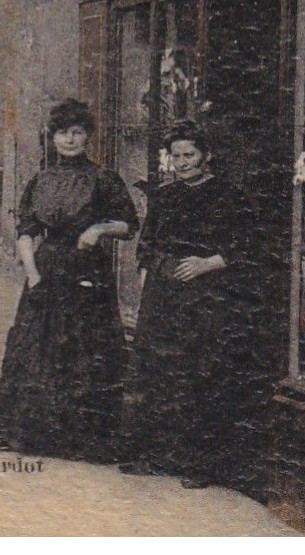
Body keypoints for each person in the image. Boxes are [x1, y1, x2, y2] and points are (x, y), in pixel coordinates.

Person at [0, 98, 139, 463]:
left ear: (87, 137)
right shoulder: (41, 179)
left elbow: (129, 225)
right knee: (36, 344)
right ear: (52, 139)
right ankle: (27, 432)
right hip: (48, 267)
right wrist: (32, 273)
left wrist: (99, 228)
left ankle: (84, 440)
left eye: (76, 133)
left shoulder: (103, 178)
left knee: (86, 346)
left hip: (88, 269)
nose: (69, 140)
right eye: (62, 134)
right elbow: (26, 230)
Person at [123, 121, 269, 494]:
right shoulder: (166, 195)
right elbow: (148, 243)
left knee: (202, 375)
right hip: (165, 296)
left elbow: (252, 245)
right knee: (160, 373)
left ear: (206, 156)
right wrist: (149, 278)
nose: (183, 162)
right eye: (176, 156)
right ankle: (158, 456)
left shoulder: (229, 196)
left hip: (209, 298)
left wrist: (209, 263)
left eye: (190, 155)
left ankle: (202, 463)